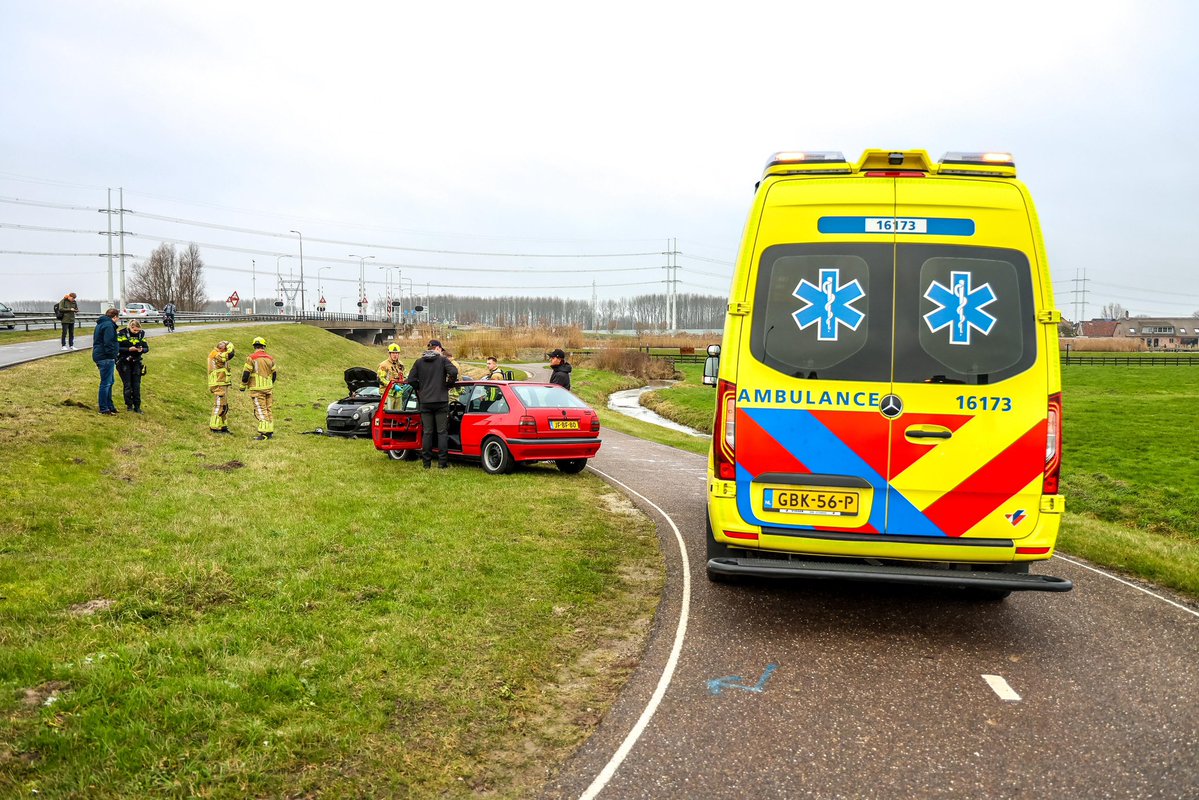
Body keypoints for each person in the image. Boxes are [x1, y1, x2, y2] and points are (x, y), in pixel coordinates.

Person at [405, 338, 458, 468]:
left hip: (425, 401)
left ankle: (426, 463)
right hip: (440, 401)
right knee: (441, 432)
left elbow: (411, 379)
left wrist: (420, 387)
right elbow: (454, 371)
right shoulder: (442, 360)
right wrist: (448, 384)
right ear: (438, 349)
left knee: (427, 432)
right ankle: (442, 463)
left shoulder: (419, 362)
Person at [240, 336, 277, 440]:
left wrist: (242, 386)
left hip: (256, 388)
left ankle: (264, 434)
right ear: (264, 346)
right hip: (268, 388)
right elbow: (274, 375)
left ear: (254, 346)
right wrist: (270, 384)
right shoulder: (270, 358)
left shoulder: (251, 358)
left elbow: (246, 373)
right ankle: (269, 431)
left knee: (260, 410)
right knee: (268, 409)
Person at [115, 319, 149, 412]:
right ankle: (129, 405)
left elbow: (147, 348)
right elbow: (117, 348)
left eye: (138, 330)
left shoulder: (141, 334)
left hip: (136, 362)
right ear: (130, 327)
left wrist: (141, 350)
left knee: (136, 385)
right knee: (128, 385)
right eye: (135, 330)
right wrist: (128, 349)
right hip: (124, 362)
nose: (137, 332)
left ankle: (137, 406)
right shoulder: (121, 334)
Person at [92, 308, 120, 415]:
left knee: (110, 382)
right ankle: (104, 408)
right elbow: (108, 342)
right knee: (106, 383)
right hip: (105, 357)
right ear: (115, 317)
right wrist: (113, 354)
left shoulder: (101, 324)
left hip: (101, 355)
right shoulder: (109, 326)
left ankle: (110, 406)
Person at [207, 340, 236, 433]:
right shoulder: (215, 353)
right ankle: (214, 427)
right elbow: (227, 356)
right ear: (222, 348)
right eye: (226, 348)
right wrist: (231, 347)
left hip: (222, 382)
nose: (228, 350)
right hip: (218, 383)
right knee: (219, 405)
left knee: (224, 406)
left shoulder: (220, 353)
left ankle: (223, 426)